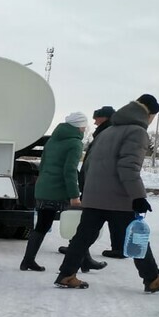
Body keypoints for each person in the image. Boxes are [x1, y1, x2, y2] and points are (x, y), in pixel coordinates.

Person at [56, 94, 159, 292]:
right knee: (135, 237)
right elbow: (128, 167)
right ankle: (152, 278)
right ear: (148, 114)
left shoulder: (107, 131)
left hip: (94, 196)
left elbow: (89, 164)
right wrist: (138, 196)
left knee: (82, 238)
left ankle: (66, 274)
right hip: (117, 198)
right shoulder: (137, 132)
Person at [20, 112, 104, 272]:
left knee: (42, 225)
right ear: (80, 126)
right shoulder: (74, 143)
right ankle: (84, 260)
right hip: (60, 190)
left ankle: (27, 261)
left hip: (44, 188)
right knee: (78, 227)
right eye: (84, 125)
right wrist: (74, 195)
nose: (85, 128)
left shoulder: (53, 140)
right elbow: (70, 171)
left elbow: (43, 165)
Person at [59, 105, 125, 259]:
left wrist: (88, 178)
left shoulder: (106, 132)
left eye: (97, 118)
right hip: (103, 182)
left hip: (99, 182)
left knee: (91, 219)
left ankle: (76, 249)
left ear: (105, 118)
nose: (94, 122)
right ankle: (117, 248)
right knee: (110, 218)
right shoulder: (110, 131)